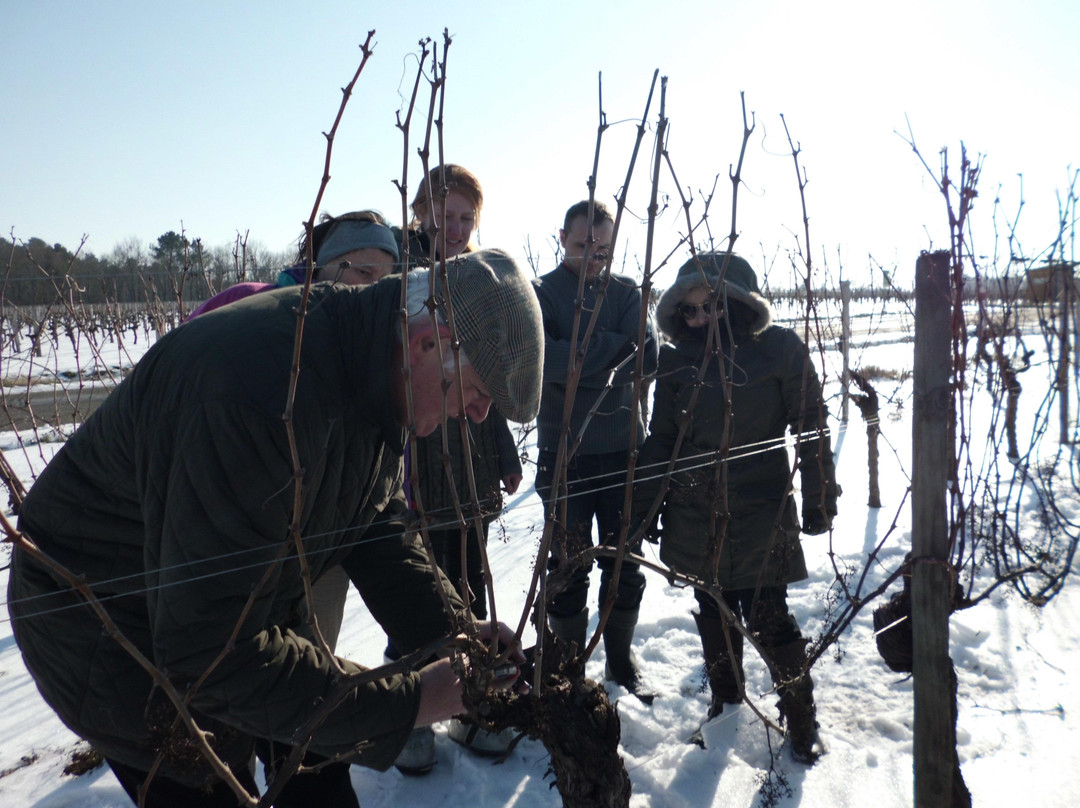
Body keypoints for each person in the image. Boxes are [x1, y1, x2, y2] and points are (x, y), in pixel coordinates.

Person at [7, 249, 542, 807]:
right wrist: (413, 703)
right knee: (212, 783)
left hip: (243, 600)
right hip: (108, 622)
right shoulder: (262, 395)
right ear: (428, 343)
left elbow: (374, 527)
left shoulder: (375, 365)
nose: (478, 415)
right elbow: (207, 655)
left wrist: (455, 632)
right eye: (479, 392)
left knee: (318, 775)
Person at [632, 251, 839, 764]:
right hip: (694, 509)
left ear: (740, 303)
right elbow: (663, 439)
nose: (702, 319)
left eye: (714, 306)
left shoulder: (779, 349)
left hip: (761, 507)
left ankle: (801, 718)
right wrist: (645, 507)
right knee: (713, 610)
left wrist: (819, 496)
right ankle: (725, 704)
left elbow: (811, 422)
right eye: (691, 311)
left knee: (770, 616)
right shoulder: (677, 361)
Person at [390, 164, 522, 766]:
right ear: (421, 212)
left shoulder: (479, 280)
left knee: (468, 581)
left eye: (468, 217)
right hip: (418, 454)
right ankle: (412, 716)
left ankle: (471, 704)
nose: (457, 227)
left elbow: (487, 376)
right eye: (446, 215)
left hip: (471, 457)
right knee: (415, 588)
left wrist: (505, 451)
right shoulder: (400, 278)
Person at [532, 199, 659, 702]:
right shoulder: (541, 293)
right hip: (563, 456)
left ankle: (620, 660)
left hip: (624, 452)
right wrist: (610, 349)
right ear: (563, 238)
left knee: (625, 562)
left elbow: (646, 355)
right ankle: (567, 668)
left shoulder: (628, 293)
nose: (594, 255)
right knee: (567, 565)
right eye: (584, 244)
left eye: (603, 247)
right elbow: (544, 361)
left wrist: (576, 361)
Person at [186, 209, 399, 320]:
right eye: (363, 272)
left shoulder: (381, 334)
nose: (373, 287)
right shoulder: (244, 299)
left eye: (383, 280)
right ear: (323, 263)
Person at [399, 163, 482, 263]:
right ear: (421, 211)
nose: (457, 231)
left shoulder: (479, 267)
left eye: (466, 218)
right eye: (446, 217)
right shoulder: (396, 260)